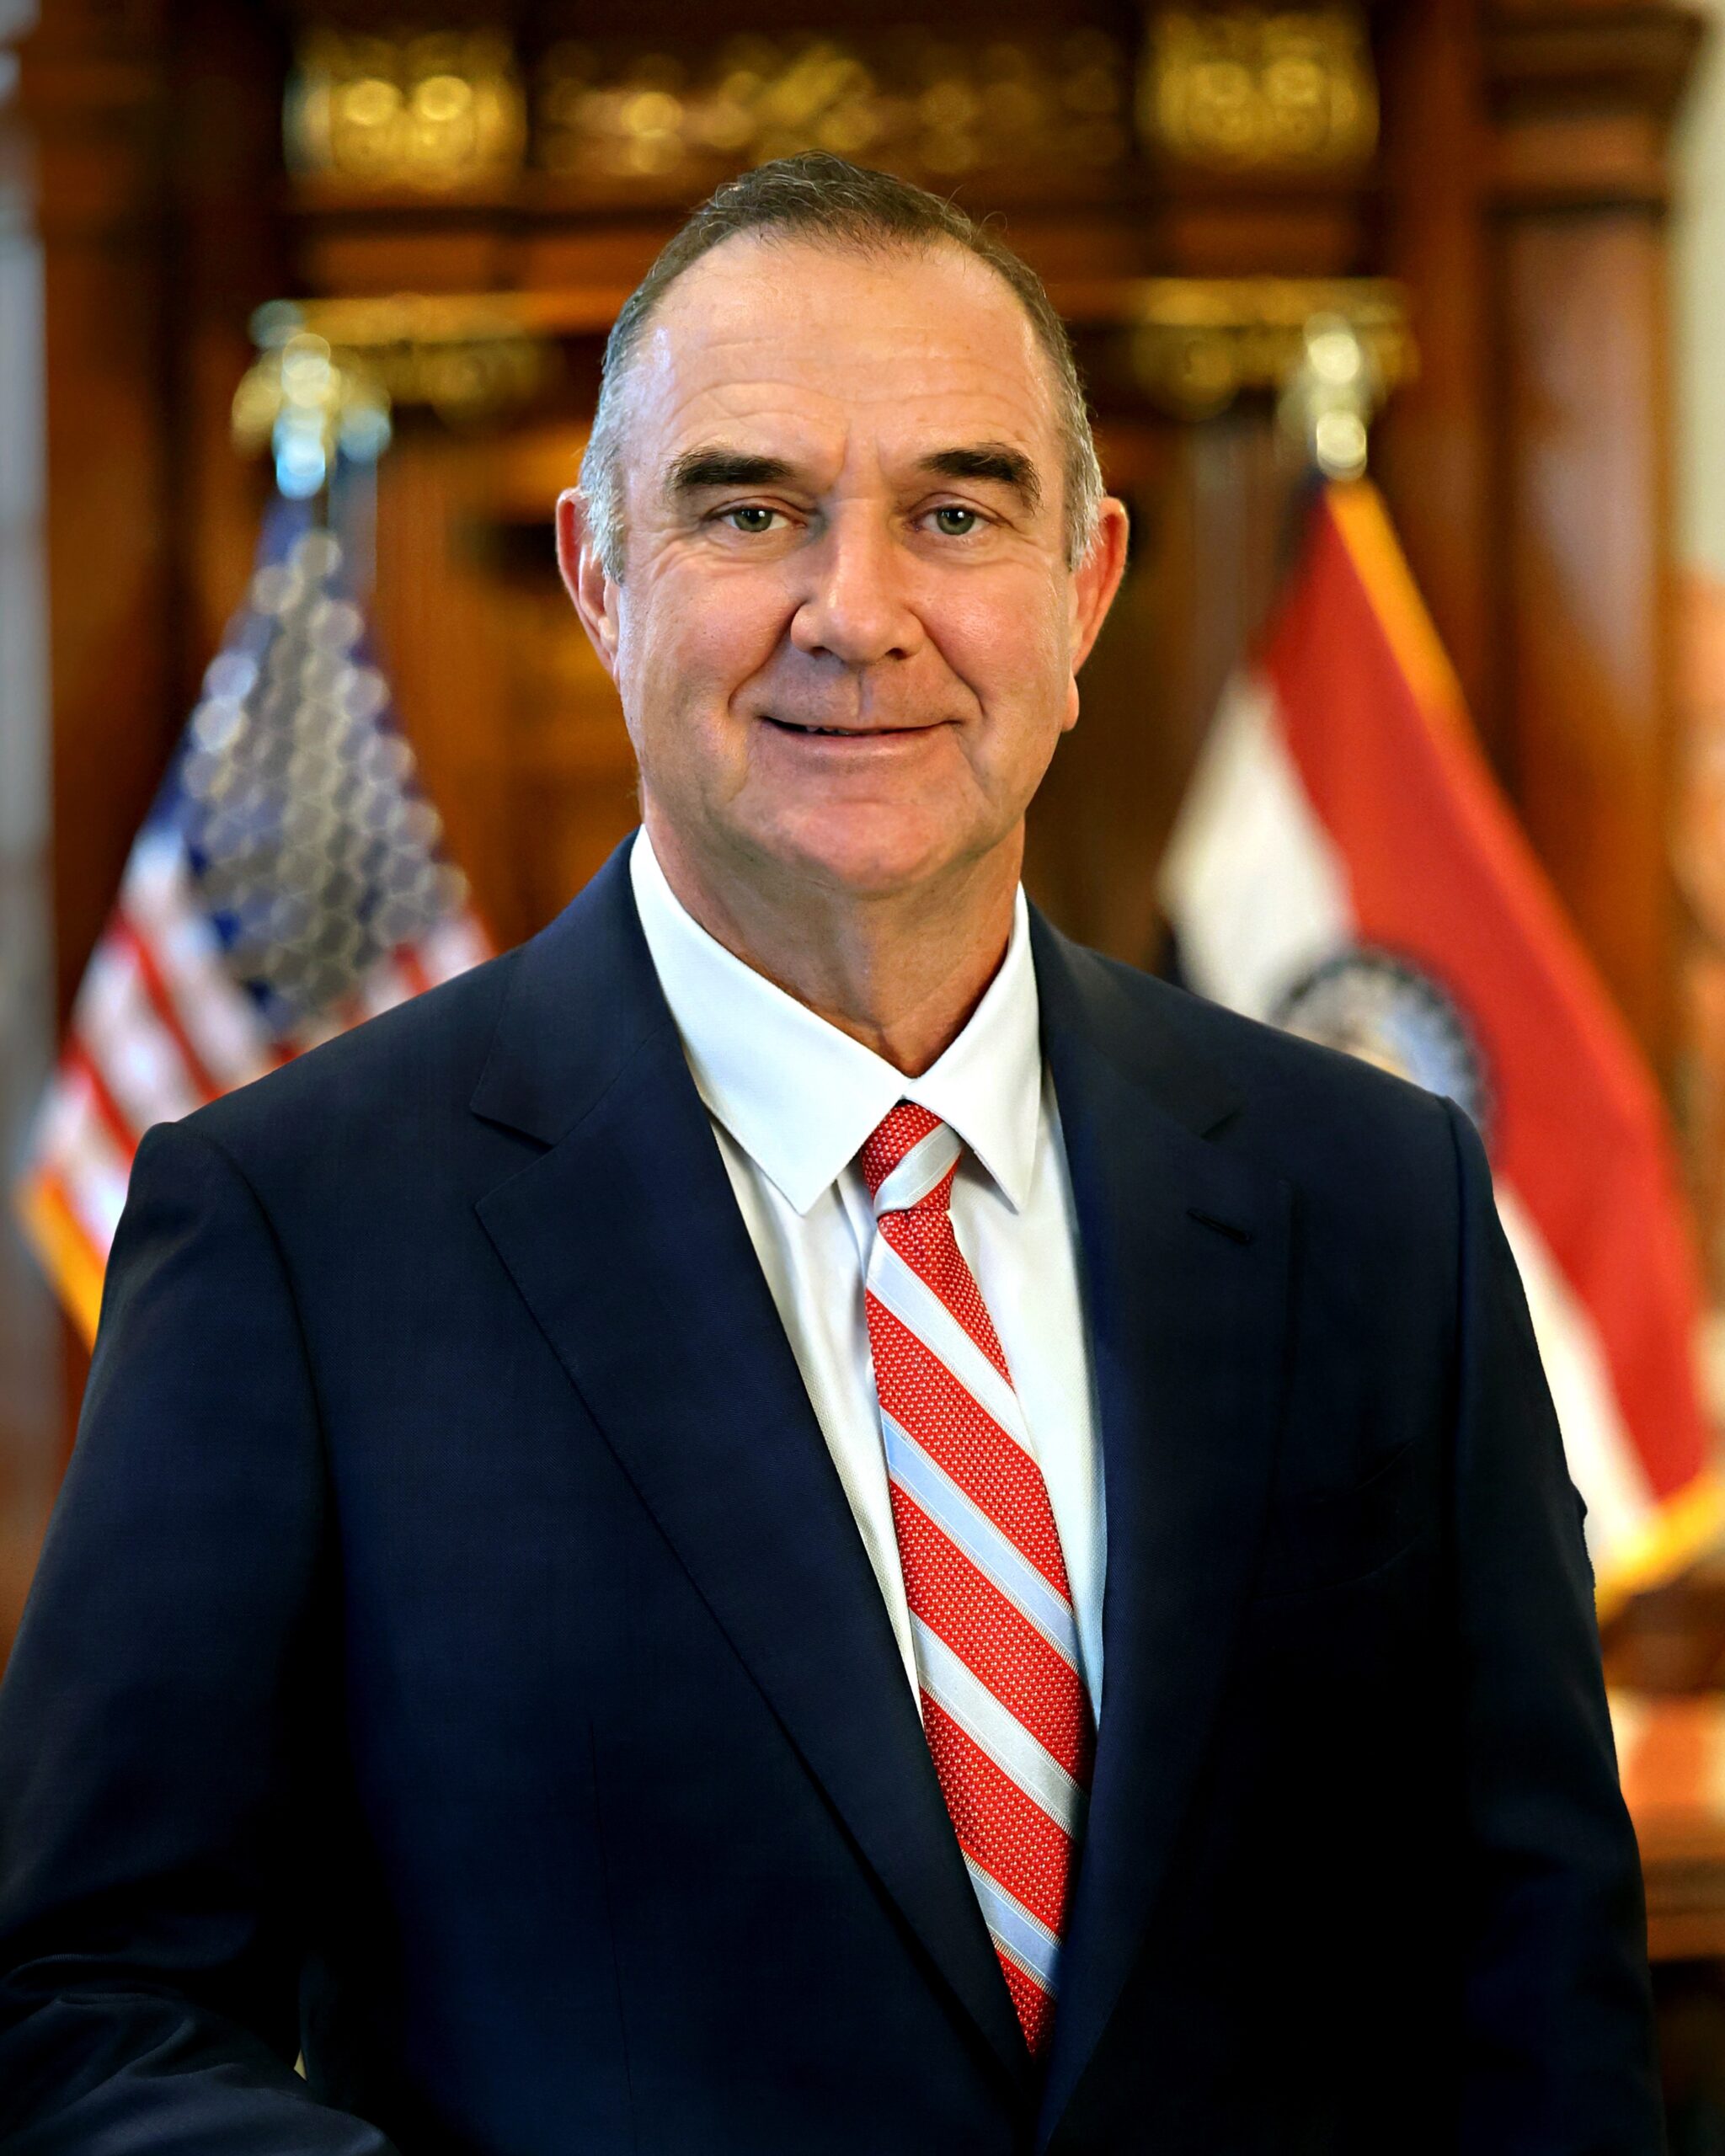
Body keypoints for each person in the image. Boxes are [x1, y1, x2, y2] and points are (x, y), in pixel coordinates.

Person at [0, 152, 1658, 2154]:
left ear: (1084, 588)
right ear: (601, 576)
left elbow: (1532, 1977)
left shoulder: (1374, 1197)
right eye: (747, 508)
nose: (854, 612)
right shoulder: (292, 1226)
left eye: (954, 511)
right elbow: (87, 2010)